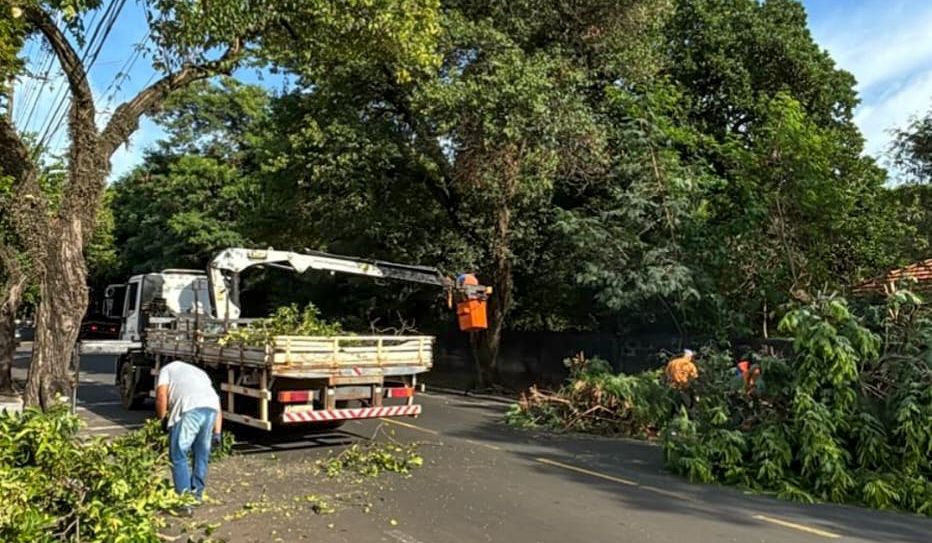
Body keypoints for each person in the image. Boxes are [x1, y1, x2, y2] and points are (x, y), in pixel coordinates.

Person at [155, 360, 222, 504]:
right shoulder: (200, 372)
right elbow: (216, 401)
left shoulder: (166, 369)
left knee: (178, 454)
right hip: (211, 409)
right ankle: (197, 494)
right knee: (201, 454)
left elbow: (161, 395)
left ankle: (184, 501)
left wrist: (162, 420)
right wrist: (217, 432)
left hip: (189, 410)